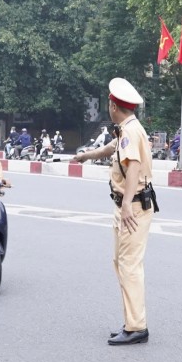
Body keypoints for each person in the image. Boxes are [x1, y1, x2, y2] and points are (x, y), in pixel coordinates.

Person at [72, 78, 155, 346]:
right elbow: (112, 149)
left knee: (129, 265)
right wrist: (87, 156)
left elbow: (133, 167)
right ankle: (132, 321)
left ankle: (136, 327)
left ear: (113, 105)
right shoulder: (125, 129)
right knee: (122, 263)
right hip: (126, 204)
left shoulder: (130, 132)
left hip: (132, 206)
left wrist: (128, 203)